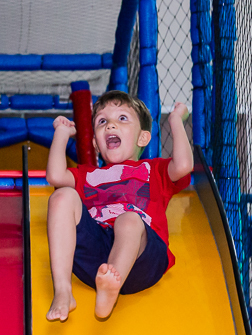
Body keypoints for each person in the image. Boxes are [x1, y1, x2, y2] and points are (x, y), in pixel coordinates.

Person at [45, 90, 193, 321]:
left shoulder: (154, 170)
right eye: (102, 121)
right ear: (96, 143)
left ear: (142, 138)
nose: (111, 125)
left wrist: (175, 120)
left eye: (122, 118)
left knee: (129, 218)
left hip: (142, 258)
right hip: (97, 261)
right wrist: (62, 134)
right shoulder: (88, 174)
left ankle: (111, 287)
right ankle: (63, 290)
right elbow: (55, 176)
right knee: (61, 196)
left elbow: (183, 165)